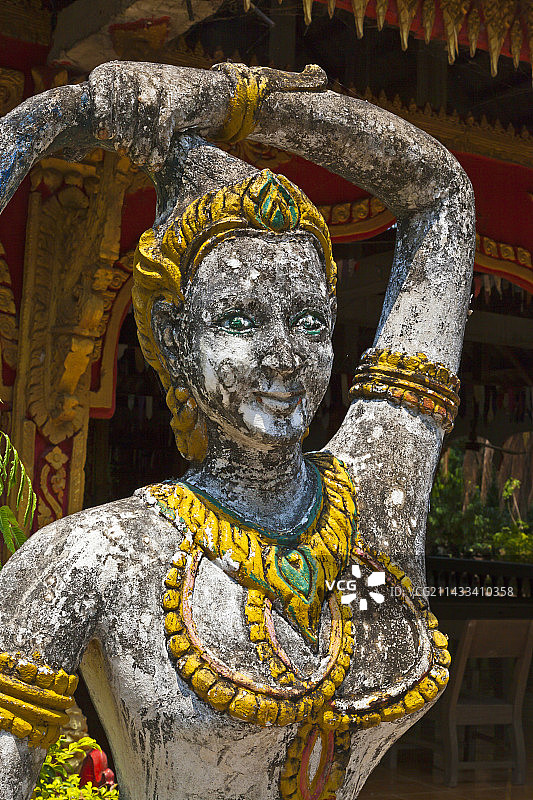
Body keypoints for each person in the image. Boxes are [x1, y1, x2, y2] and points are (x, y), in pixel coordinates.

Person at [0, 62, 474, 799]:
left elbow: (440, 194)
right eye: (240, 321)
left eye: (310, 322)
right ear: (174, 337)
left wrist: (226, 102)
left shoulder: (377, 491)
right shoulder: (89, 560)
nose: (284, 358)